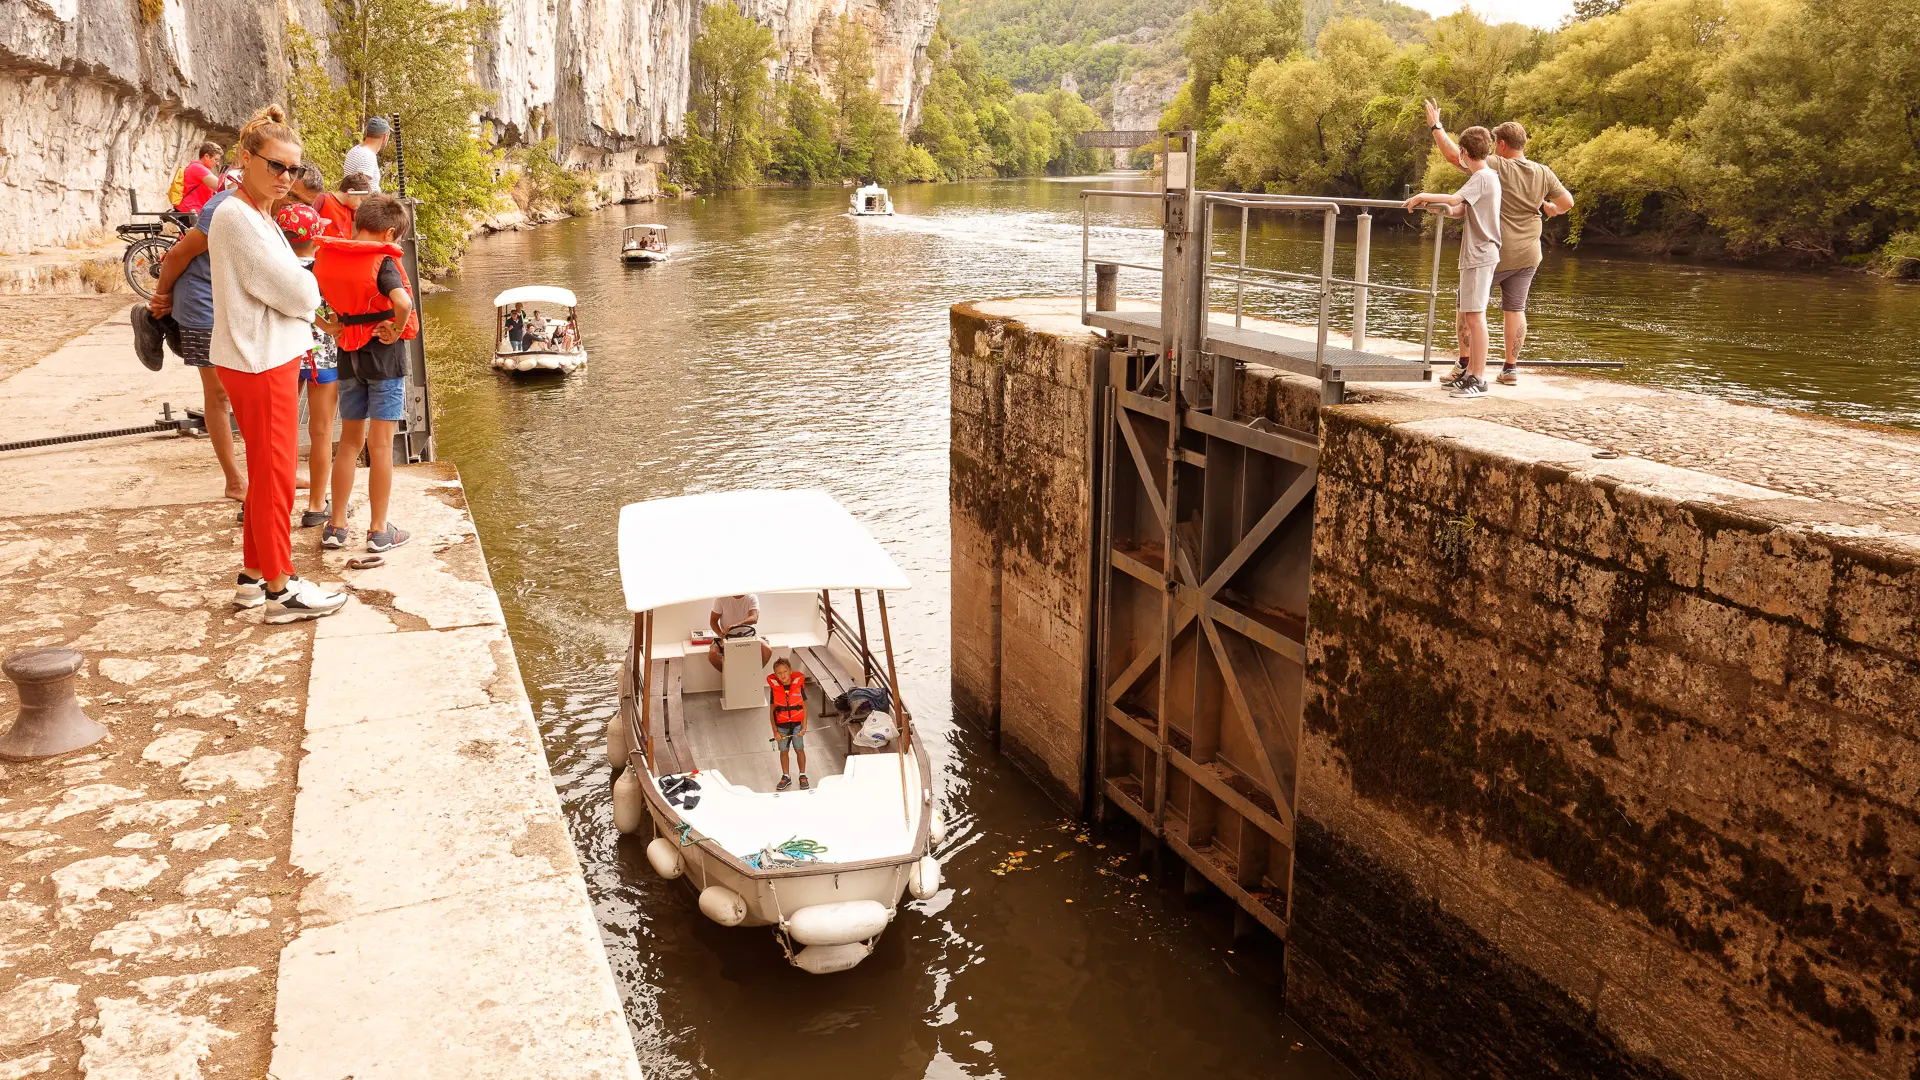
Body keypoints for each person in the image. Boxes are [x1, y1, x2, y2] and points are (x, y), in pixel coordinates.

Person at [207, 104, 347, 624]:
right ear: (246, 158)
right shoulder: (237, 216)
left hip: (263, 355)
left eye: (295, 170)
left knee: (271, 473)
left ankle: (251, 577)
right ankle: (281, 590)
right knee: (276, 477)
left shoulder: (256, 213)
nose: (286, 178)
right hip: (259, 359)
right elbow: (296, 291)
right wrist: (310, 284)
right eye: (276, 166)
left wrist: (299, 284)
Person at [1427, 104, 1574, 387]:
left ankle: (1465, 364)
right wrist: (1553, 208)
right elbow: (1568, 202)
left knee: (1467, 306)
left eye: (1496, 143)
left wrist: (1436, 126)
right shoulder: (1543, 172)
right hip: (1529, 252)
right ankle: (1510, 368)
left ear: (1502, 144)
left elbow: (1452, 154)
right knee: (1515, 308)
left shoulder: (1493, 165)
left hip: (1493, 252)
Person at [315, 193, 416, 554]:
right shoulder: (383, 261)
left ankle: (336, 525)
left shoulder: (328, 255)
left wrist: (327, 326)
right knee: (381, 445)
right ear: (389, 233)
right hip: (383, 357)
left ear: (359, 225)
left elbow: (299, 296)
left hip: (347, 354)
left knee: (349, 443)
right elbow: (402, 303)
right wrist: (394, 328)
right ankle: (378, 531)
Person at [139, 169, 248, 502]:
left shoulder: (273, 208)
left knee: (246, 391)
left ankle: (270, 473)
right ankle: (234, 481)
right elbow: (176, 255)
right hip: (203, 304)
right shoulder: (222, 207)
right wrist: (162, 297)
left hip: (231, 305)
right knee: (219, 394)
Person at [1406, 124, 1502, 400]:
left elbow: (1453, 198)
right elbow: (1458, 209)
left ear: (1463, 152)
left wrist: (1425, 195)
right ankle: (1471, 372)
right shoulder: (1485, 177)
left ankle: (1479, 379)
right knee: (1471, 314)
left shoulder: (1482, 177)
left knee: (1474, 316)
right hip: (1477, 254)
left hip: (1480, 254)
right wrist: (1437, 208)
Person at [277, 202, 339, 530]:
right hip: (323, 356)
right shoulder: (326, 269)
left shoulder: (275, 269)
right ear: (316, 237)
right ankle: (316, 505)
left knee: (280, 431)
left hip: (285, 355)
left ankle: (273, 499)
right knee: (321, 431)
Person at [767, 657, 808, 791]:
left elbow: (804, 707)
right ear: (775, 674)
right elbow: (772, 711)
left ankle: (802, 775)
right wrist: (775, 731)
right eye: (779, 673)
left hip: (797, 725)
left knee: (799, 749)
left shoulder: (798, 686)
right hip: (781, 726)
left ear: (790, 671)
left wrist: (804, 726)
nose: (783, 675)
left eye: (785, 671)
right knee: (783, 751)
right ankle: (786, 776)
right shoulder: (774, 689)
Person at [706, 593, 772, 672]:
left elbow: (754, 618)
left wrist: (736, 625)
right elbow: (713, 621)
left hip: (749, 635)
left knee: (767, 650)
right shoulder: (721, 599)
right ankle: (730, 675)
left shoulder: (751, 597)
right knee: (712, 655)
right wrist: (721, 635)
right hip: (727, 637)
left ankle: (753, 673)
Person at [171, 142, 226, 215]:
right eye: (215, 159)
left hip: (192, 211)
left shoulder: (200, 168)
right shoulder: (197, 167)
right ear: (206, 156)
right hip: (189, 211)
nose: (217, 163)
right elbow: (218, 185)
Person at [344, 117, 389, 192]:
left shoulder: (354, 150)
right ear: (385, 137)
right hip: (368, 203)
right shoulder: (368, 156)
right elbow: (361, 193)